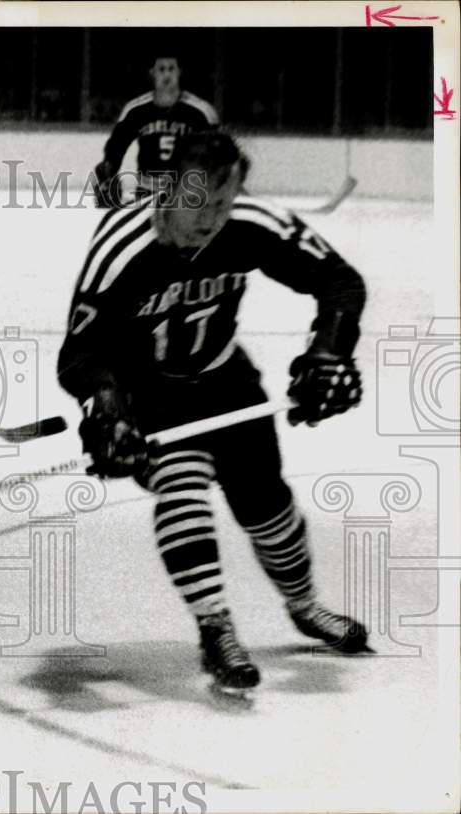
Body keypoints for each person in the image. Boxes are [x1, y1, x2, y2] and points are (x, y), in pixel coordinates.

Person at [58, 131, 369, 692]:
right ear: (166, 189)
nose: (211, 220)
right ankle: (215, 626)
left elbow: (340, 281)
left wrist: (329, 351)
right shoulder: (121, 245)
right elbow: (79, 352)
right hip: (147, 391)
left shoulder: (251, 223)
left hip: (226, 380)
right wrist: (105, 404)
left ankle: (303, 605)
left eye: (223, 205)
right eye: (198, 203)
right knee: (181, 485)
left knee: (266, 507)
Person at [93, 53, 219, 208]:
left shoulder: (201, 112)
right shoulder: (135, 110)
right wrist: (108, 174)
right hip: (147, 194)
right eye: (161, 69)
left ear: (179, 71)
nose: (167, 74)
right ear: (152, 72)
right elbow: (115, 148)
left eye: (171, 69)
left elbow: (218, 154)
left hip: (188, 193)